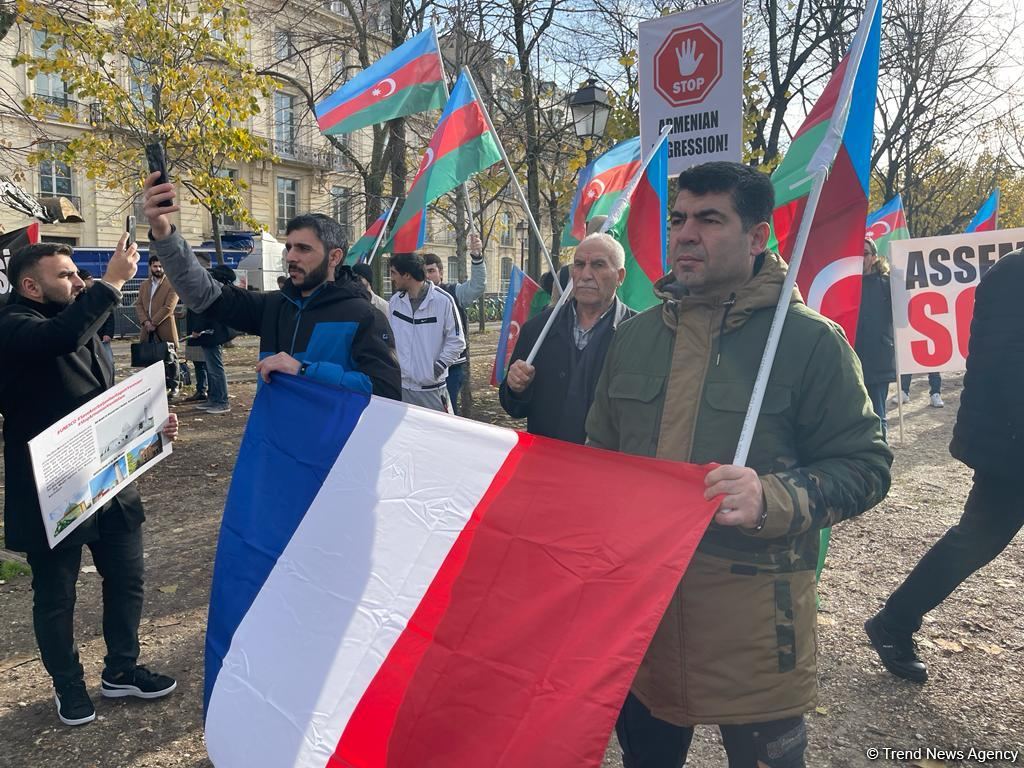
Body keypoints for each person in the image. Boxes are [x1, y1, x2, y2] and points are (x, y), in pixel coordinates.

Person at [586, 161, 892, 767]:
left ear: (757, 237)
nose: (686, 234)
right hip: (642, 621)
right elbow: (599, 461)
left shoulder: (809, 342)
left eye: (709, 220)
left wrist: (769, 498)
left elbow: (866, 466)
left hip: (754, 634)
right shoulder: (635, 339)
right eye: (679, 219)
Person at [0, 239, 180, 726]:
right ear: (30, 286)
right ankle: (68, 685)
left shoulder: (81, 320)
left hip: (110, 481)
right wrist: (114, 280)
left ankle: (121, 669)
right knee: (56, 594)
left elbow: (103, 399)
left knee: (127, 577)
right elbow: (59, 340)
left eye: (79, 273)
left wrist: (149, 426)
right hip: (52, 487)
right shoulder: (12, 324)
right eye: (66, 275)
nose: (80, 282)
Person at [865, 248, 1024, 684]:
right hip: (1011, 445)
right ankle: (894, 622)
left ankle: (894, 622)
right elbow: (1009, 365)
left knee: (976, 539)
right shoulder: (1016, 271)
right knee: (975, 540)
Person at [141, 174, 401, 399]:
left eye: (303, 248)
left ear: (334, 257)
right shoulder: (274, 306)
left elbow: (386, 391)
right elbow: (204, 294)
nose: (291, 257)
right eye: (289, 247)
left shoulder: (364, 315)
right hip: (273, 439)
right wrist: (163, 232)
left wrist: (304, 371)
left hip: (334, 442)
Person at [499, 233, 634, 443]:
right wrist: (515, 388)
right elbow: (514, 408)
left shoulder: (638, 335)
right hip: (547, 458)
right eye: (579, 265)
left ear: (620, 276)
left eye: (598, 265)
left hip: (607, 460)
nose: (586, 275)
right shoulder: (537, 330)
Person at [388, 252, 464, 411]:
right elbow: (390, 339)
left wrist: (436, 369)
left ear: (407, 275)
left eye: (393, 273)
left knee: (440, 429)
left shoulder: (443, 301)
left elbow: (457, 342)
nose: (391, 278)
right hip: (401, 389)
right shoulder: (395, 302)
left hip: (432, 392)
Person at [422, 236, 486, 415]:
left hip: (451, 368)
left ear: (441, 273)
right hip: (424, 368)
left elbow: (477, 287)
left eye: (431, 271)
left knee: (447, 413)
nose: (427, 276)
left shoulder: (453, 292)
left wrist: (477, 257)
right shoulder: (413, 299)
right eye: (424, 272)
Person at [855, 238, 897, 442]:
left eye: (864, 253)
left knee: (878, 416)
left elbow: (903, 317)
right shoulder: (844, 285)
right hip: (851, 360)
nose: (860, 258)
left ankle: (881, 456)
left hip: (878, 359)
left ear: (873, 257)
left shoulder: (887, 285)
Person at [185, 266, 236, 414]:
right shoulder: (217, 288)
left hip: (211, 333)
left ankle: (222, 401)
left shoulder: (211, 290)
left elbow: (206, 312)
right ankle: (214, 399)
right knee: (211, 368)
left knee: (215, 368)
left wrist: (197, 328)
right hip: (210, 332)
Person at [134, 253, 180, 396]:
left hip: (165, 326)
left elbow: (169, 307)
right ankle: (154, 387)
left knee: (170, 357)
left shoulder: (172, 284)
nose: (158, 269)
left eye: (161, 266)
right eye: (155, 266)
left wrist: (154, 322)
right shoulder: (144, 285)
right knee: (150, 357)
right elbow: (139, 304)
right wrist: (146, 322)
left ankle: (174, 386)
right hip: (147, 328)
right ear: (150, 267)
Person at [79, 268, 116, 373]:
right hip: (87, 339)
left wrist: (108, 333)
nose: (92, 280)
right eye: (89, 278)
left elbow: (109, 315)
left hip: (102, 336)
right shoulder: (78, 298)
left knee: (108, 362)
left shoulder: (98, 295)